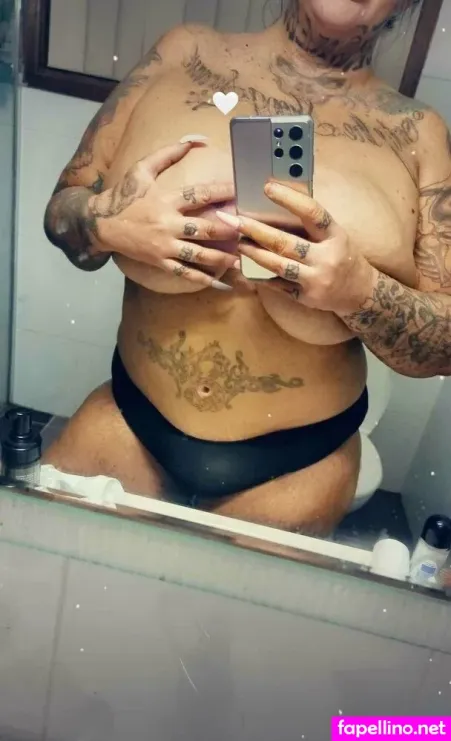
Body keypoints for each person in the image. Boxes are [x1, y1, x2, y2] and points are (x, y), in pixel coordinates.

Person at [43, 0, 451, 535]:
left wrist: (361, 292)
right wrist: (106, 223)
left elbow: (446, 342)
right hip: (128, 421)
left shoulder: (419, 132)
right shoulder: (183, 52)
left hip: (301, 464)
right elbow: (62, 209)